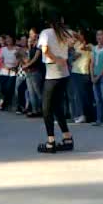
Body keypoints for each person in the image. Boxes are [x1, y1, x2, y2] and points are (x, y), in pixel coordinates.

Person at [37, 14, 74, 154]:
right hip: (64, 73)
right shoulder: (67, 33)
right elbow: (76, 41)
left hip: (52, 72)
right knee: (58, 106)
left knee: (47, 108)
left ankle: (50, 141)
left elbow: (45, 50)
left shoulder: (46, 33)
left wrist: (56, 58)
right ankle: (67, 137)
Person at [70, 29, 93, 123]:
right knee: (77, 95)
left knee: (85, 95)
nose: (77, 37)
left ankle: (86, 115)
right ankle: (79, 114)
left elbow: (89, 50)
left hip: (85, 71)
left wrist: (84, 48)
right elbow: (71, 58)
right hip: (75, 71)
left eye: (79, 35)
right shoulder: (75, 45)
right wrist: (75, 54)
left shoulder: (89, 46)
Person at [23, 30, 43, 118]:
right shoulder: (31, 46)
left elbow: (35, 58)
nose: (30, 35)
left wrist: (27, 65)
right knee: (31, 92)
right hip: (29, 71)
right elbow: (28, 58)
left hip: (36, 70)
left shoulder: (40, 45)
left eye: (32, 33)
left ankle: (44, 109)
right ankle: (35, 110)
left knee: (38, 92)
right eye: (30, 33)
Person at [0, 35, 18, 111]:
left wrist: (14, 66)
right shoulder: (3, 49)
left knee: (9, 88)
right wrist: (5, 67)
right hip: (3, 71)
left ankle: (5, 103)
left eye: (10, 39)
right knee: (3, 89)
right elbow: (0, 61)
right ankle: (4, 102)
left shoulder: (16, 49)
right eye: (7, 39)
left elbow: (18, 60)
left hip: (13, 72)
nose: (8, 40)